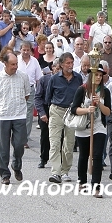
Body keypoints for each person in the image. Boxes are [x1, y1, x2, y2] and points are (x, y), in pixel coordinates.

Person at [0, 52, 31, 185]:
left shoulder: (23, 77)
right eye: (12, 64)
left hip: (19, 115)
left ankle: (16, 165)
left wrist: (17, 105)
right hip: (3, 116)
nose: (15, 67)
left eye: (16, 64)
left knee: (19, 144)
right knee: (3, 147)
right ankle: (4, 174)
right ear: (5, 64)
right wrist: (2, 109)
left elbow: (27, 95)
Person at [71, 63, 112, 198]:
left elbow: (108, 112)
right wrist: (87, 110)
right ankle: (82, 181)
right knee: (84, 156)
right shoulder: (82, 90)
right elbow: (74, 109)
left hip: (99, 127)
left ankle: (96, 186)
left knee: (97, 156)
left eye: (101, 75)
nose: (99, 78)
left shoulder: (105, 92)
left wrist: (99, 103)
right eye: (96, 75)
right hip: (84, 127)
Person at [45, 52, 83, 183]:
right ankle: (55, 172)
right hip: (56, 110)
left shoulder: (78, 78)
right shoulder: (54, 79)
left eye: (72, 63)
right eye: (68, 63)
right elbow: (48, 98)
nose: (71, 65)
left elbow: (81, 96)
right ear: (61, 65)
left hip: (72, 112)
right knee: (55, 142)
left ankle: (65, 171)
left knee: (69, 143)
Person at [18, 40, 42, 147]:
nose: (26, 52)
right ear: (20, 50)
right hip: (17, 89)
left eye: (28, 50)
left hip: (31, 89)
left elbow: (39, 78)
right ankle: (15, 135)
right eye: (24, 50)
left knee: (28, 115)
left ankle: (25, 138)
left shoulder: (34, 61)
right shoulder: (16, 60)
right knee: (17, 113)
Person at [34, 66, 53, 168]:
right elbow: (37, 97)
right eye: (56, 68)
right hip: (46, 108)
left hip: (59, 108)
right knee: (45, 135)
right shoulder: (44, 80)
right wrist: (42, 113)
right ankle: (43, 158)